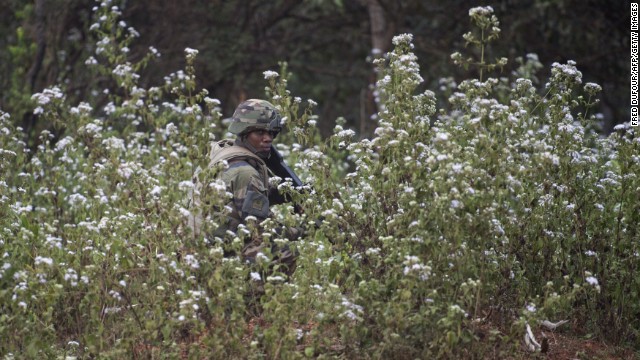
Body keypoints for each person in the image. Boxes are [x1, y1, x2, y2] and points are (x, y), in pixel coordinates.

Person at [208, 99, 299, 275]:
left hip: (201, 241)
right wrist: (302, 227)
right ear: (243, 132)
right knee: (283, 252)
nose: (268, 139)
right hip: (216, 252)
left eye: (272, 133)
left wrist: (282, 193)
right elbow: (260, 229)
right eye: (259, 132)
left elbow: (236, 197)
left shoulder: (223, 152)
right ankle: (252, 300)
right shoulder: (245, 172)